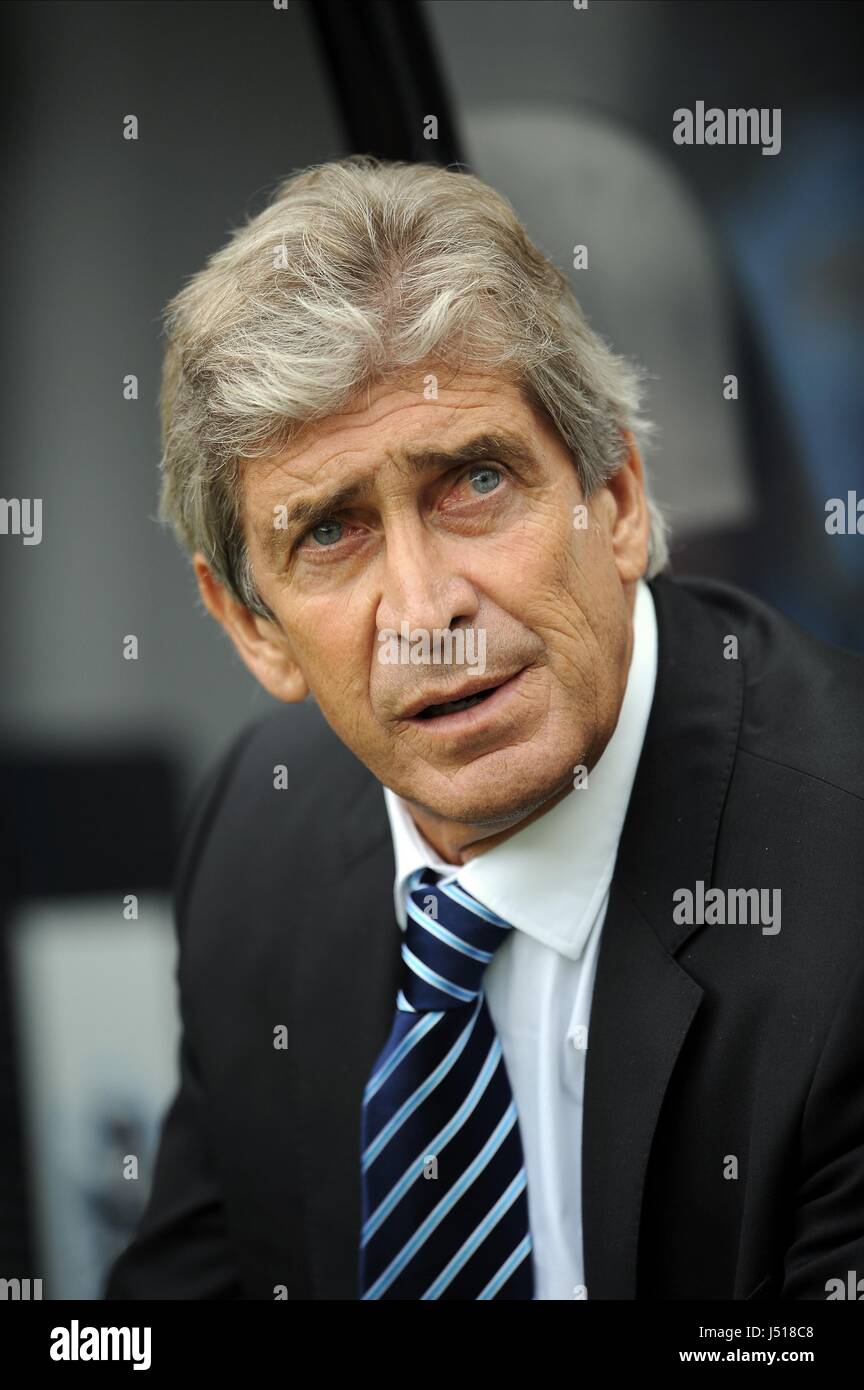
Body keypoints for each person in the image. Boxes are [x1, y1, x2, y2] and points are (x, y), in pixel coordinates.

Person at [104, 156, 864, 1300]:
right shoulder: (260, 843)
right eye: (328, 534)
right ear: (249, 626)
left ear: (615, 497)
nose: (426, 615)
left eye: (473, 482)